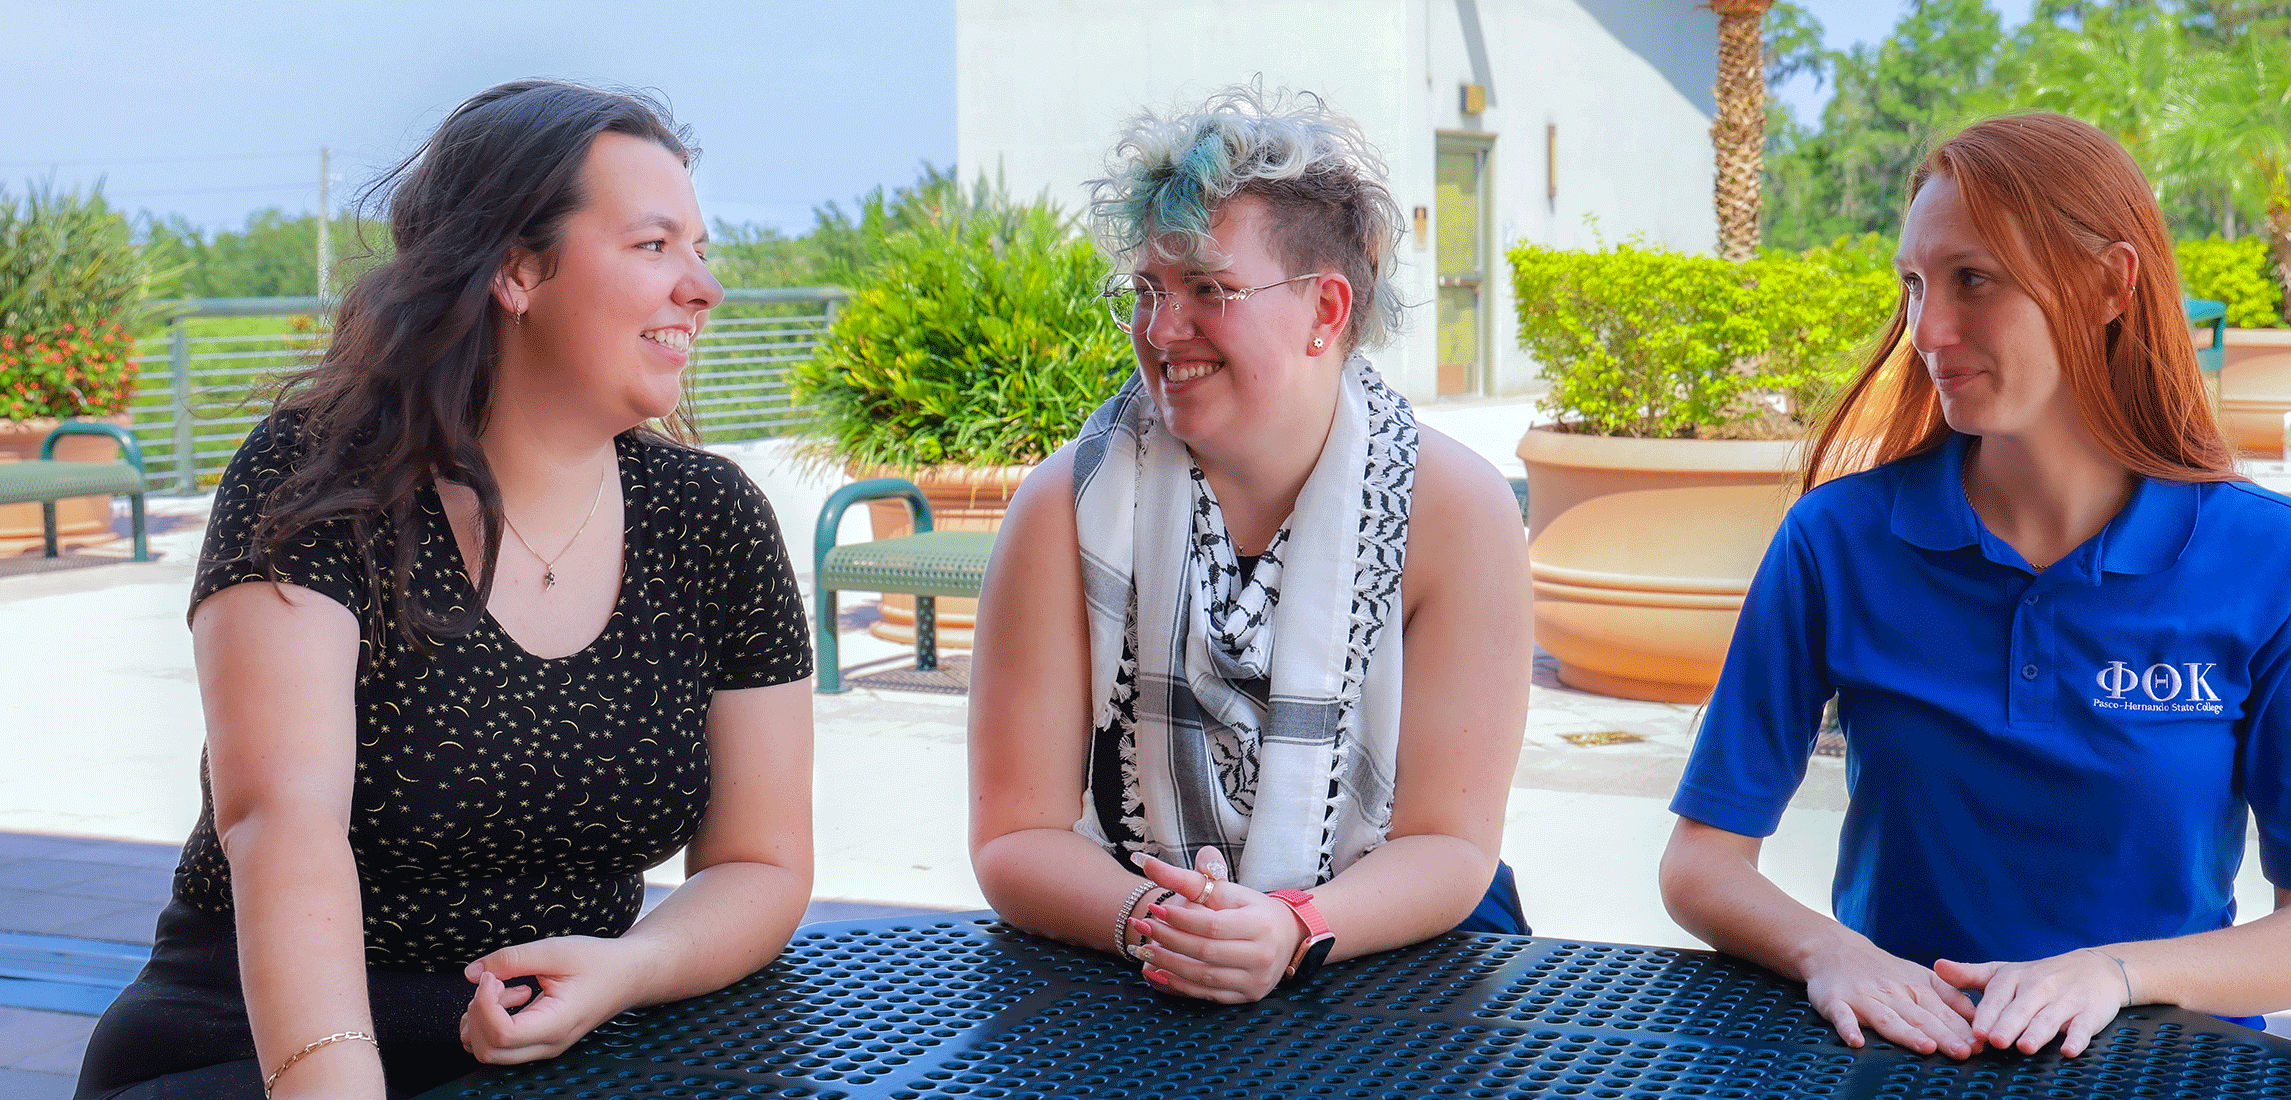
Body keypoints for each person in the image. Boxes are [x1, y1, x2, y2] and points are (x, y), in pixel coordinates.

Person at [78, 80, 815, 1100]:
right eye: (654, 246)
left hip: (560, 1040)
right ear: (515, 269)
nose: (702, 287)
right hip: (266, 1042)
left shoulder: (711, 517)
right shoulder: (317, 477)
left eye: (701, 249)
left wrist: (624, 969)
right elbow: (281, 820)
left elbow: (760, 862)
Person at [1658, 113, 2291, 1061]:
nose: (1928, 331)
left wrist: (2115, 974)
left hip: (2163, 1069)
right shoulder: (1836, 541)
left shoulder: (2283, 565)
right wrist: (1830, 953)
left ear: (2110, 283)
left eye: (1974, 280)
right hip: (1903, 1060)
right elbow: (1701, 861)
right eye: (1915, 285)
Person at [967, 86, 1532, 1004]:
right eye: (1148, 291)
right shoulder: (1062, 504)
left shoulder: (1454, 510)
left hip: (1401, 950)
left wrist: (1291, 927)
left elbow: (1451, 845)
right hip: (1134, 945)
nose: (1161, 329)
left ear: (1327, 309)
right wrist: (1168, 929)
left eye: (1209, 290)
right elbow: (1013, 837)